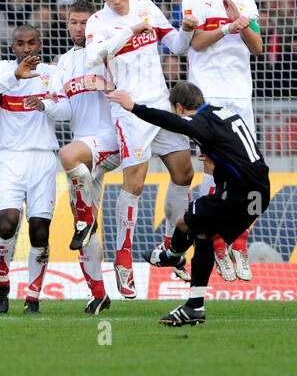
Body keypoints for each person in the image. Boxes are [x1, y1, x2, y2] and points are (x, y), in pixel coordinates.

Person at [106, 81, 269, 326]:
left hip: (240, 194)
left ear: (180, 107)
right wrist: (215, 155)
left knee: (184, 222)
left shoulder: (201, 122)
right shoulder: (225, 113)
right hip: (259, 192)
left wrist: (134, 108)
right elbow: (238, 152)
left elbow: (175, 123)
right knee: (202, 233)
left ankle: (171, 255)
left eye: (175, 110)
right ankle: (195, 306)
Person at [84, 0, 193, 299]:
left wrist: (186, 31)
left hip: (160, 103)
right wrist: (130, 30)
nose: (118, 0)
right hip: (129, 109)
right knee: (136, 182)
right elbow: (93, 57)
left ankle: (172, 246)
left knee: (184, 172)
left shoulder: (147, 7)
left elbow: (176, 46)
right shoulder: (98, 22)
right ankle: (123, 258)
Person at [24, 0, 130, 315]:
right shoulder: (64, 63)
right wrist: (44, 105)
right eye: (74, 22)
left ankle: (85, 218)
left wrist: (109, 82)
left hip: (110, 139)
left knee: (67, 153)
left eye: (85, 22)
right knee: (84, 232)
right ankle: (99, 294)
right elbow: (66, 108)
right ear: (67, 24)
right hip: (85, 150)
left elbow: (128, 89)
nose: (79, 28)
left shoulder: (108, 54)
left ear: (95, 24)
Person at [180, 0, 262, 282]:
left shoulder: (246, 0)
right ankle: (216, 246)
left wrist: (242, 23)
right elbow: (195, 42)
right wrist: (229, 26)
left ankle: (238, 246)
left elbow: (257, 47)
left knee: (247, 175)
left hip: (240, 96)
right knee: (213, 173)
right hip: (207, 98)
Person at [0, 26, 59, 314]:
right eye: (20, 44)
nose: (27, 49)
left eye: (32, 43)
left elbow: (68, 108)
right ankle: (2, 283)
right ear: (13, 48)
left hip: (44, 158)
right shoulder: (1, 69)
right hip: (9, 158)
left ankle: (33, 297)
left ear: (40, 44)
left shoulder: (52, 73)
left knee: (40, 231)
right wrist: (14, 76)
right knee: (7, 223)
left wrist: (47, 106)